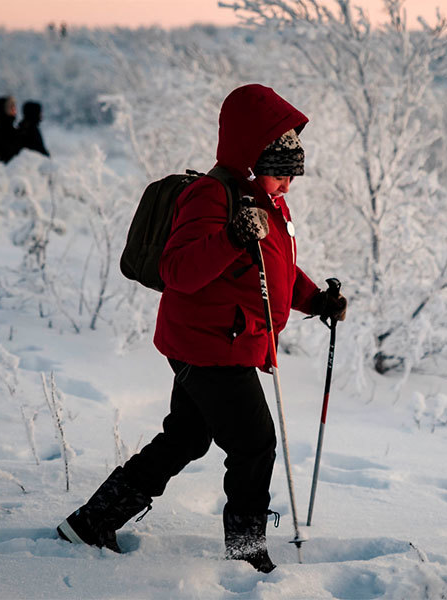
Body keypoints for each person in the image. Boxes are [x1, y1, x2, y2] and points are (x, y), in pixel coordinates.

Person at [56, 84, 348, 573]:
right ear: (253, 159)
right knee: (255, 443)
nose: (287, 186)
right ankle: (245, 553)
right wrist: (233, 236)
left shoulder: (263, 203)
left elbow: (274, 268)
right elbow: (179, 271)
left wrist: (314, 299)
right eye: (280, 174)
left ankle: (89, 524)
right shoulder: (211, 195)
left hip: (221, 342)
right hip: (211, 347)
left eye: (292, 176)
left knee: (186, 439)